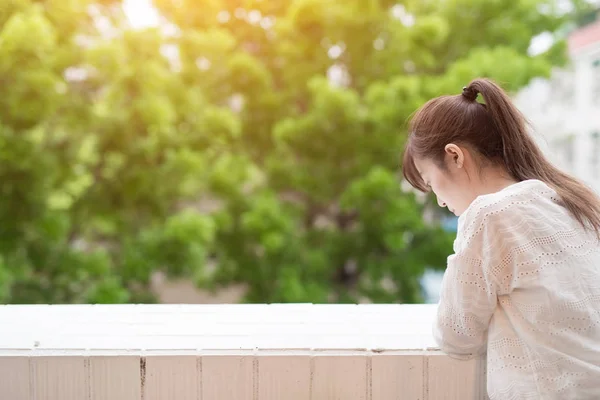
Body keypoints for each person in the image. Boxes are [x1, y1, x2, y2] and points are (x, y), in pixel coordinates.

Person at [402, 78, 600, 399]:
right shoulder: (567, 200)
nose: (439, 200)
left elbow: (457, 336)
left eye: (430, 181)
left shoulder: (490, 214)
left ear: (454, 156)